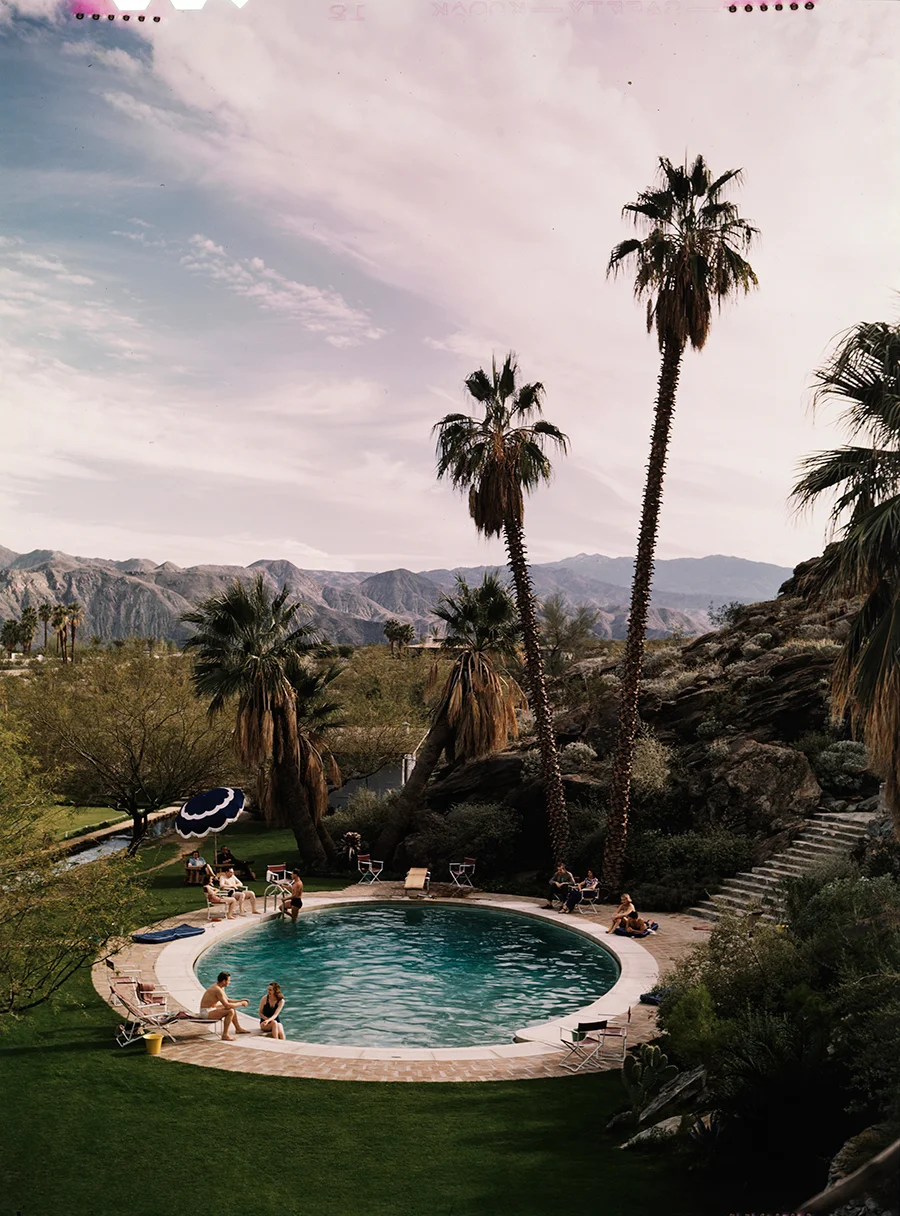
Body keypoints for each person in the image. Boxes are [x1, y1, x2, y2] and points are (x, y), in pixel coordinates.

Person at [200, 971, 250, 1041]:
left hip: (212, 1009)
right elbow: (227, 1005)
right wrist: (241, 1004)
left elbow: (227, 1000)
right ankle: (225, 1035)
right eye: (229, 980)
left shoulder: (220, 987)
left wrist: (240, 1001)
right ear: (224, 981)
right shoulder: (217, 989)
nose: (229, 982)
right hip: (206, 1013)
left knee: (232, 1007)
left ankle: (238, 1028)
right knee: (230, 1011)